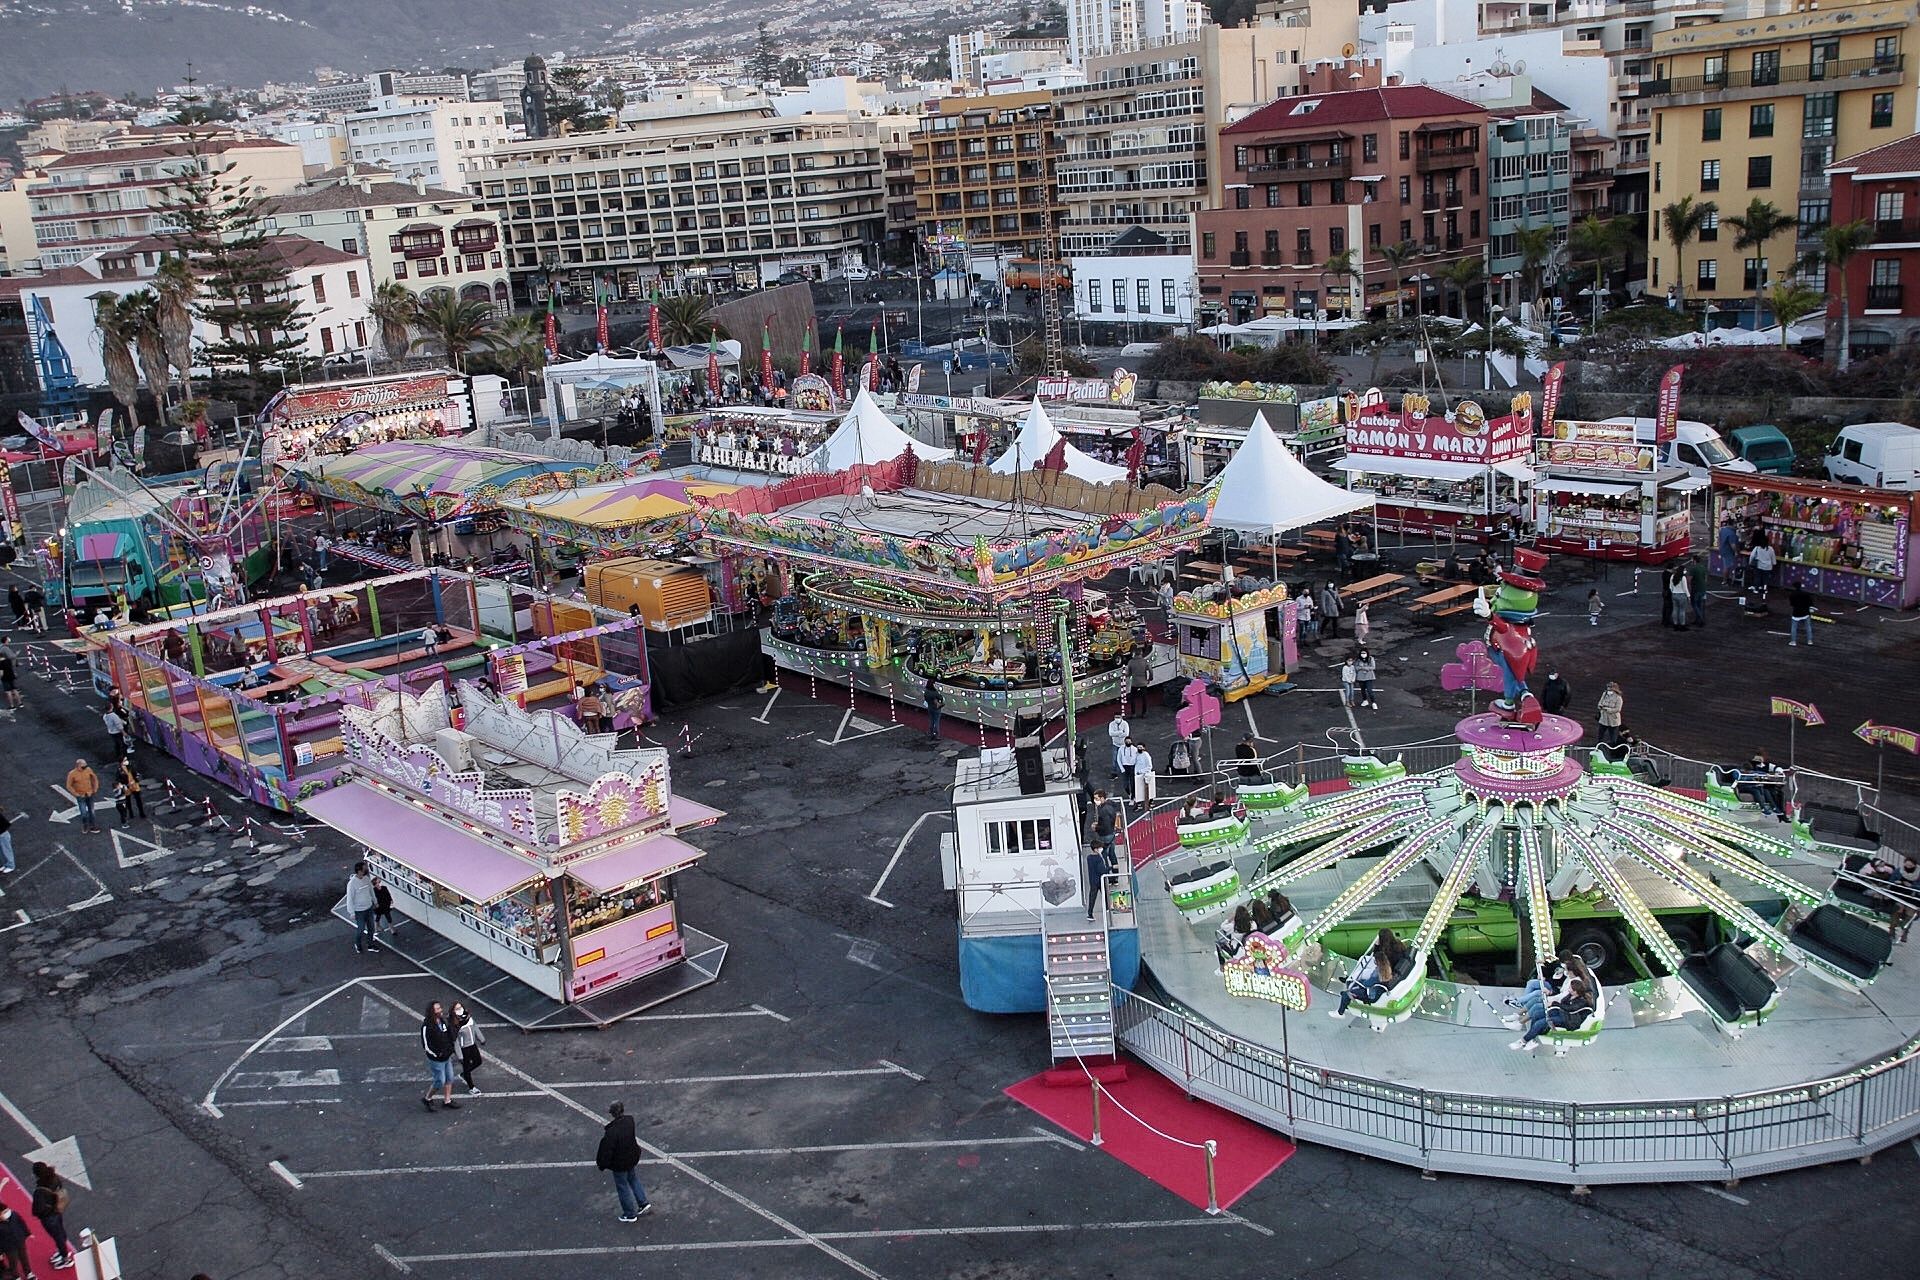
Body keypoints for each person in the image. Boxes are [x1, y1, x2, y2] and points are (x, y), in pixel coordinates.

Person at [1333, 928, 1408, 1017]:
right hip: (1389, 970)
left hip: (1375, 987)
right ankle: (1350, 980)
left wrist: (1376, 945)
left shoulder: (1385, 955)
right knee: (1363, 964)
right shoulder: (1399, 945)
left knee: (1349, 990)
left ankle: (1340, 1011)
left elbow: (1377, 957)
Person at [596, 1101, 652, 1221]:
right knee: (633, 1178)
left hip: (620, 1163)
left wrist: (602, 1164)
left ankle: (629, 1213)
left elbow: (607, 1151)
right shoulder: (629, 1121)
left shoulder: (611, 1132)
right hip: (631, 1158)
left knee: (622, 1186)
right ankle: (643, 1202)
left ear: (612, 1113)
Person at [1513, 976, 1594, 1051]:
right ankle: (1534, 1035)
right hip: (1562, 1013)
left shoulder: (1582, 1001)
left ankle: (1524, 1041)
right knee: (1537, 1014)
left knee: (1541, 1022)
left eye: (1570, 988)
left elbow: (1570, 1009)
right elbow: (1563, 1002)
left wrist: (1554, 1003)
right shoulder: (1570, 995)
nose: (1569, 989)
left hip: (1569, 1020)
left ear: (1576, 991)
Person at [30, 1162, 73, 1269]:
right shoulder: (54, 1178)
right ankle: (63, 1251)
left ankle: (65, 1258)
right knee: (60, 1232)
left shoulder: (40, 1190)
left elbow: (37, 1209)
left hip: (48, 1217)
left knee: (56, 1236)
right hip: (57, 1211)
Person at [420, 1001, 460, 1111]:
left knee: (449, 1078)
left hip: (446, 1056)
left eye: (440, 1008)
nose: (440, 1010)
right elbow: (426, 1045)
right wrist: (438, 1054)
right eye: (437, 1009)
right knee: (440, 1081)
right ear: (432, 1012)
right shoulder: (427, 1026)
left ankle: (447, 1100)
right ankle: (427, 1098)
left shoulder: (443, 1021)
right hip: (437, 1059)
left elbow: (449, 1036)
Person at [1087, 789, 1119, 918]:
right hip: (1110, 833)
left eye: (1096, 798)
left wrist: (1096, 827)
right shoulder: (1111, 806)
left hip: (1106, 835)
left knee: (1106, 856)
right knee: (1112, 854)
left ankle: (1112, 877)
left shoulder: (1103, 811)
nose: (1095, 800)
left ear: (1102, 797)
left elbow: (1104, 825)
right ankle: (1115, 877)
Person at [345, 861, 379, 955]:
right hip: (359, 911)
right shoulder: (352, 884)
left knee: (371, 928)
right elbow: (350, 898)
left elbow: (371, 891)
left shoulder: (366, 879)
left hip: (369, 908)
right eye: (364, 869)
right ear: (359, 871)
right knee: (360, 929)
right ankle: (358, 944)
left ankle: (370, 945)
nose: (366, 870)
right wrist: (351, 912)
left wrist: (375, 902)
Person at [452, 1002, 486, 1094]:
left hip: (472, 1045)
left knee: (478, 1061)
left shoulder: (468, 1017)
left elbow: (475, 1027)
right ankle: (471, 1087)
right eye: (457, 1008)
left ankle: (464, 1074)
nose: (460, 1010)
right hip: (464, 1048)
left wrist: (481, 1038)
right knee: (466, 1067)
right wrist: (460, 1056)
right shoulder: (454, 1024)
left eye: (460, 1007)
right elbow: (456, 1041)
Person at [65, 759, 101, 834]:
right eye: (83, 766)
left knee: (92, 811)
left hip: (89, 793)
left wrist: (95, 788)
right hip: (81, 795)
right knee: (83, 812)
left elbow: (94, 778)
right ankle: (85, 825)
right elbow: (69, 786)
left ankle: (93, 826)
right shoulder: (72, 774)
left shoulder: (88, 770)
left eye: (85, 766)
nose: (85, 768)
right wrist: (76, 794)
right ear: (78, 766)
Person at [0, 1201, 31, 1280]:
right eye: (5, 1212)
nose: (8, 1213)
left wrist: (27, 1233)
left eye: (7, 1210)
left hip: (20, 1241)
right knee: (13, 1262)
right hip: (9, 1247)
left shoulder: (14, 1215)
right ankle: (16, 1276)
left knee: (24, 1258)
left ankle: (28, 1273)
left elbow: (22, 1223)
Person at [1596, 682, 1624, 747]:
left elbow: (1618, 709)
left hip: (1613, 720)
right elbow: (1600, 702)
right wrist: (1600, 706)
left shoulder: (1618, 698)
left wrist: (1608, 710)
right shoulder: (1604, 694)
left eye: (1610, 689)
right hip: (1603, 718)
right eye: (1608, 688)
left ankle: (1613, 748)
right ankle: (1599, 746)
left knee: (1613, 736)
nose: (1608, 690)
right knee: (1600, 734)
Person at [1127, 648, 1152, 717]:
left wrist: (1126, 676)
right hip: (1143, 682)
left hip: (1134, 683)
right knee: (1144, 698)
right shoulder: (1144, 661)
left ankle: (1133, 713)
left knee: (1133, 698)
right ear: (1141, 653)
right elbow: (1150, 670)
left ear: (1134, 654)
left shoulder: (1131, 662)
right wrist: (1150, 679)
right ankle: (1144, 713)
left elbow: (1128, 673)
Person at [1106, 712, 1130, 778]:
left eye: (1118, 717)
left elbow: (1126, 734)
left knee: (1125, 759)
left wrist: (1116, 734)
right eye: (1116, 717)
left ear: (1121, 717)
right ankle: (1114, 773)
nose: (1117, 719)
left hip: (1123, 745)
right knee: (1115, 759)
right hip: (1115, 744)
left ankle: (1125, 772)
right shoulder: (1111, 724)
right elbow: (1111, 733)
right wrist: (1120, 732)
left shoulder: (1125, 724)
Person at [1687, 555, 1708, 628]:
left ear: (1694, 560)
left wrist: (1689, 590)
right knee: (1699, 604)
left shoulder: (1693, 569)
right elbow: (1705, 579)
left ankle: (1701, 619)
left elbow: (1689, 580)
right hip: (1702, 589)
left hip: (1695, 589)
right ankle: (1697, 619)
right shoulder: (1703, 567)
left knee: (1694, 604)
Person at [1667, 566, 1690, 632]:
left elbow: (1670, 587)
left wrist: (1673, 592)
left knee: (1675, 610)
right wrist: (1688, 596)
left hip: (1674, 594)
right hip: (1682, 595)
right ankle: (1682, 625)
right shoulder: (1683, 578)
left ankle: (1675, 625)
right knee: (1682, 611)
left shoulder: (1672, 576)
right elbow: (1685, 589)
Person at [0, 644, 18, 710]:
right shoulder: (8, 660)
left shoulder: (0, 663)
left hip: (5, 678)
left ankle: (12, 705)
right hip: (11, 676)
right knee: (14, 690)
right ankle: (20, 703)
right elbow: (12, 666)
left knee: (8, 692)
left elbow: (1, 673)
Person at [0, 807, 13, 874]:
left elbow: (7, 824)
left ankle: (11, 866)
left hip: (3, 835)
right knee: (1, 851)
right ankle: (5, 864)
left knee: (6, 851)